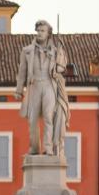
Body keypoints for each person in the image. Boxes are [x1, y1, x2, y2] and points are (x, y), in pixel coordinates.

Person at [15, 20, 69, 155]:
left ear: (48, 34)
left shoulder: (56, 51)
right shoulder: (27, 51)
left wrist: (60, 57)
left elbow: (61, 68)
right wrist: (19, 90)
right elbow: (22, 71)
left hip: (49, 85)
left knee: (48, 117)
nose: (39, 33)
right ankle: (34, 148)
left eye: (42, 31)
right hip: (34, 86)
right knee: (32, 120)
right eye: (38, 30)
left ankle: (48, 147)